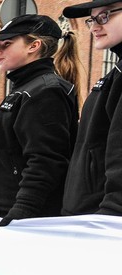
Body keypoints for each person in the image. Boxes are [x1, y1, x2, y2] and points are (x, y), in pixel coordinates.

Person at [0, 14, 80, 226]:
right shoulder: (27, 88)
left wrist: (21, 211)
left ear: (34, 46)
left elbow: (46, 160)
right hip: (7, 210)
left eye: (6, 44)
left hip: (27, 217)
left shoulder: (46, 91)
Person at [61, 0, 122, 215]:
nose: (95, 26)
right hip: (88, 215)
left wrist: (111, 214)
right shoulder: (115, 74)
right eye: (91, 20)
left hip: (105, 222)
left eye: (104, 16)